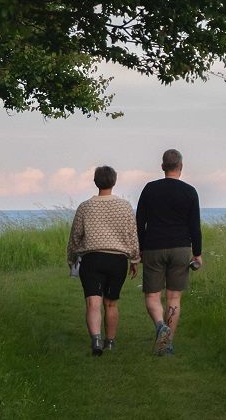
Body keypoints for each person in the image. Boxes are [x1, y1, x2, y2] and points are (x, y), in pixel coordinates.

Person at [66, 166, 141, 357]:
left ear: (95, 182)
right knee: (111, 303)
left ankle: (96, 339)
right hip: (117, 260)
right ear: (114, 182)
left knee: (93, 302)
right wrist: (134, 259)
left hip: (92, 259)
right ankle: (110, 341)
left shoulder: (85, 207)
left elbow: (75, 236)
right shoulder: (124, 206)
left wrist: (71, 257)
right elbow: (132, 235)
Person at [135, 148, 203, 356]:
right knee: (174, 299)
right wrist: (197, 253)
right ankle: (167, 344)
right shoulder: (190, 192)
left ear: (162, 166)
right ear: (180, 167)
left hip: (154, 247)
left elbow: (139, 222)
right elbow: (195, 226)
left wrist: (141, 248)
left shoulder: (149, 189)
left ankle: (159, 324)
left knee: (152, 296)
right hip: (181, 248)